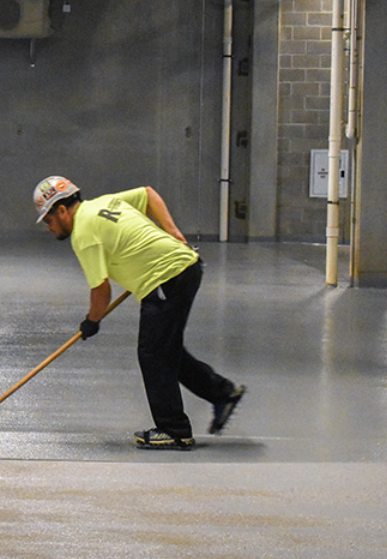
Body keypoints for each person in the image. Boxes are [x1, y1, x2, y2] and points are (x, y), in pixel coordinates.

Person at [33, 176, 245, 450]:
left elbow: (101, 290)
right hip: (183, 269)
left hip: (165, 279)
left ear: (61, 210)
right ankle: (222, 394)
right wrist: (173, 232)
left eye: (48, 220)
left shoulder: (83, 234)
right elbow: (148, 194)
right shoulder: (104, 202)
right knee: (166, 350)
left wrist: (91, 322)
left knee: (153, 354)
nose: (49, 228)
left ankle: (174, 430)